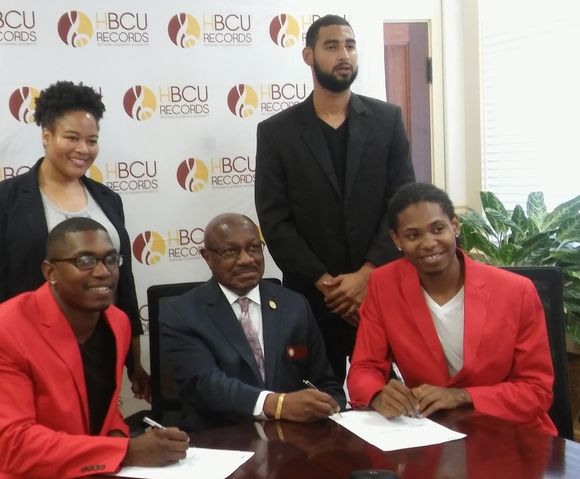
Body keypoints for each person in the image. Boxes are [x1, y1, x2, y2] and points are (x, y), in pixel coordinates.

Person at [0, 218, 189, 479]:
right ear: (50, 272)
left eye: (110, 259)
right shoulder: (1, 334)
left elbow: (100, 411)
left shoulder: (117, 322)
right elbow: (14, 445)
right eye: (84, 261)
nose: (102, 271)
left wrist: (129, 443)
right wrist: (126, 451)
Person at [254, 14, 415, 382]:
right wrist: (327, 283)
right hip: (311, 299)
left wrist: (367, 275)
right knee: (315, 404)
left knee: (385, 398)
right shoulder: (277, 132)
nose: (344, 54)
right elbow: (275, 220)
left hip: (378, 293)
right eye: (332, 46)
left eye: (350, 45)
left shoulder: (387, 120)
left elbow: (402, 205)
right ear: (308, 55)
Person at [0, 80, 150, 400]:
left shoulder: (108, 199)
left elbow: (125, 282)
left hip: (101, 347)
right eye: (72, 137)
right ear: (46, 135)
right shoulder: (2, 200)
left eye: (92, 140)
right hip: (31, 350)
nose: (83, 149)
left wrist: (134, 361)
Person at [346, 183, 556, 434]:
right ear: (396, 240)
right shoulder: (384, 285)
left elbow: (536, 390)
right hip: (431, 432)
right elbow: (365, 367)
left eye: (438, 229)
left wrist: (462, 396)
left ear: (455, 226)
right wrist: (378, 395)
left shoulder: (516, 291)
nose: (429, 243)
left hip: (510, 432)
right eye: (413, 235)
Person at [160, 213, 346, 432]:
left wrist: (326, 406)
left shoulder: (295, 305)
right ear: (207, 257)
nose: (247, 260)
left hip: (295, 437)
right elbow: (205, 385)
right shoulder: (182, 313)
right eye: (231, 251)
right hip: (221, 437)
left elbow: (325, 383)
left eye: (254, 248)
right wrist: (277, 405)